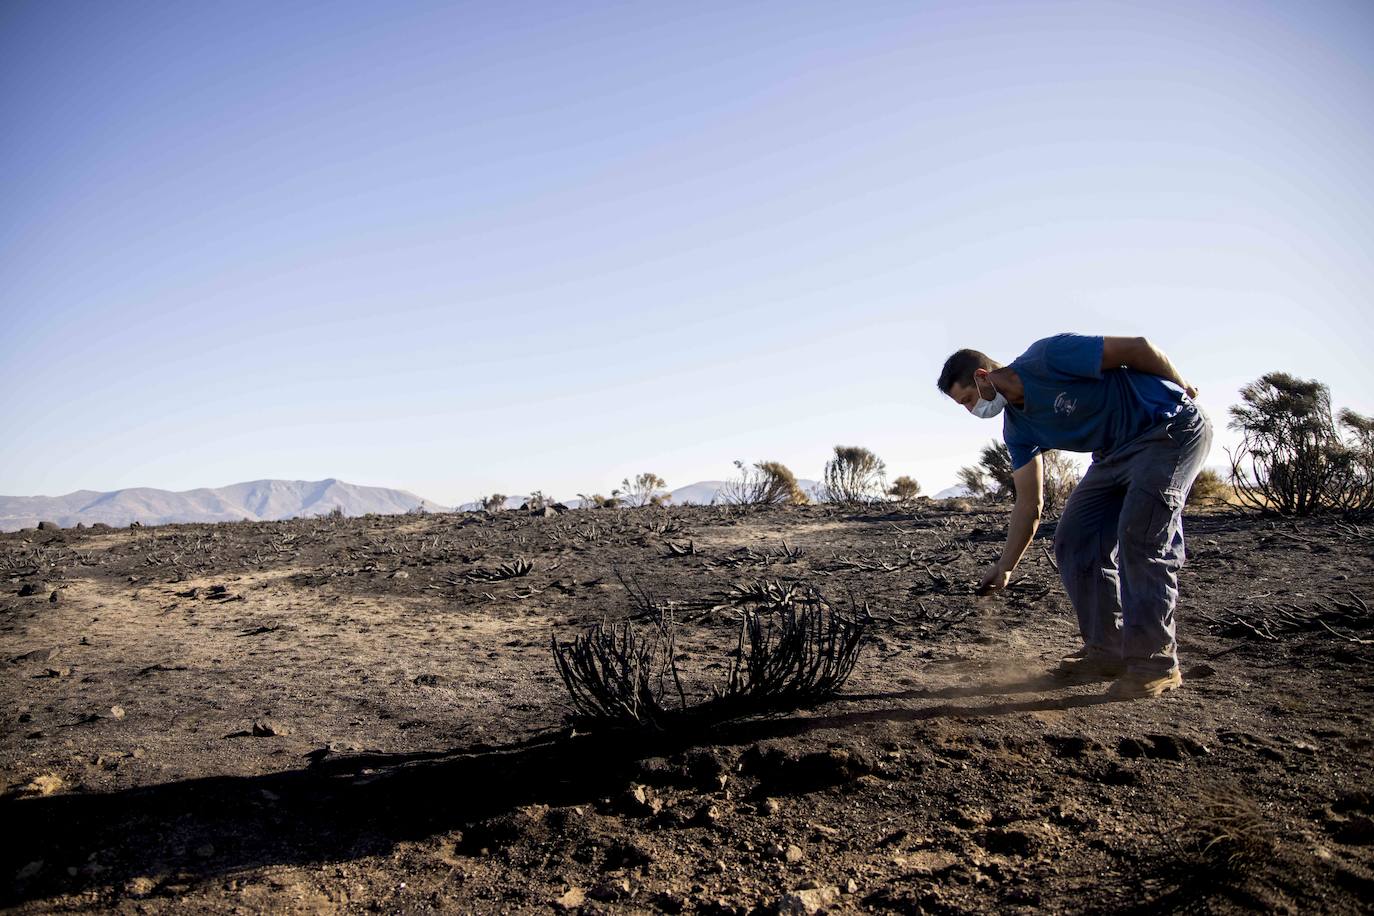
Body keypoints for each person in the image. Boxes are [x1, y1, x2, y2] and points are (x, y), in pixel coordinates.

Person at [937, 334, 1212, 698]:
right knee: (1075, 538)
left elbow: (1138, 349)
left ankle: (1155, 664)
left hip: (1168, 429)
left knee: (1140, 535)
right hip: (1113, 453)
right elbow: (1029, 503)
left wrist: (1181, 385)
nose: (972, 411)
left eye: (969, 399)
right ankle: (1107, 652)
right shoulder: (1017, 430)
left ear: (984, 376)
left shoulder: (1049, 357)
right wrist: (1006, 566)